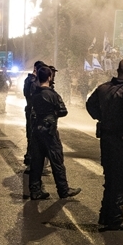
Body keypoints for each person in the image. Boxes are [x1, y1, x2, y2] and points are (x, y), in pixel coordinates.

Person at [86, 58, 123, 231]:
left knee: (110, 177)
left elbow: (89, 105)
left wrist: (101, 117)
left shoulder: (103, 88)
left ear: (117, 71)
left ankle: (105, 215)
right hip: (121, 140)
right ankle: (115, 218)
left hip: (106, 139)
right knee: (122, 177)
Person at [27, 65, 80, 201]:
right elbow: (63, 111)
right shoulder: (53, 94)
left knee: (37, 161)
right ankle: (63, 190)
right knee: (56, 160)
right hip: (49, 132)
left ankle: (35, 191)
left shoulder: (34, 93)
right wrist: (52, 114)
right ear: (49, 77)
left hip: (36, 130)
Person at [23, 61, 47, 164]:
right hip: (33, 111)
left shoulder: (31, 80)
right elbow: (32, 96)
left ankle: (31, 157)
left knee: (32, 135)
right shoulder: (33, 81)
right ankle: (32, 158)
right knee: (33, 135)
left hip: (32, 111)